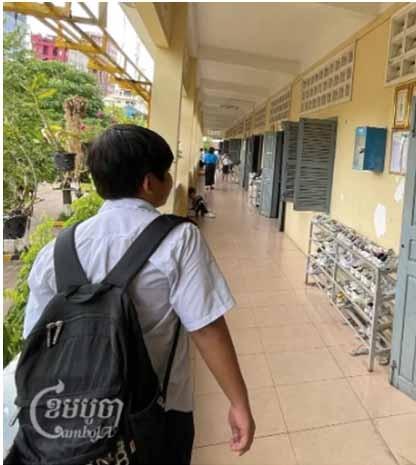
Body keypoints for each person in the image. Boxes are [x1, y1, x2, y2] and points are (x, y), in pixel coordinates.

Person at [22, 125, 255, 463]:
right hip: (156, 413)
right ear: (149, 182)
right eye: (166, 172)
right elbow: (205, 328)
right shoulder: (178, 240)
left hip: (68, 417)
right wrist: (239, 402)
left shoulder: (56, 251)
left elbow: (35, 337)